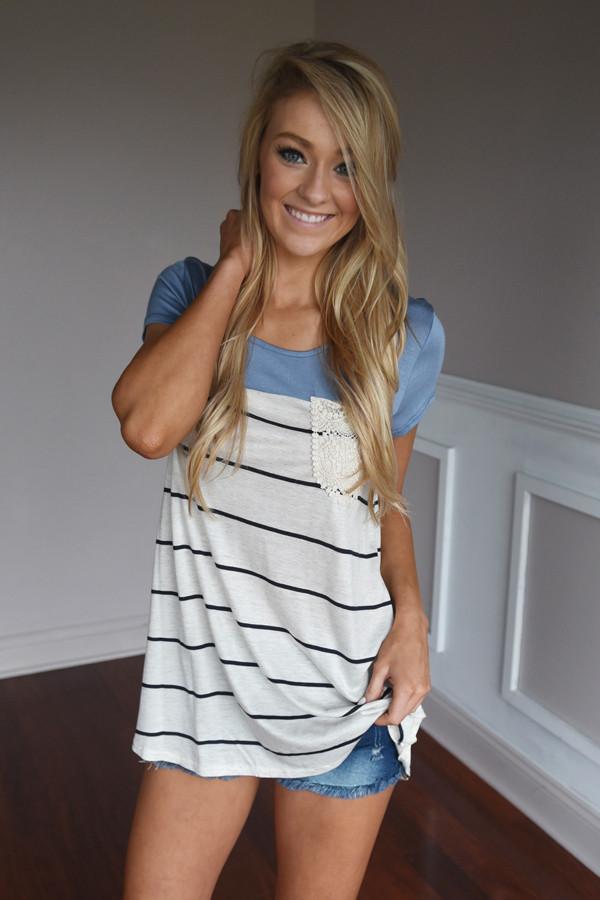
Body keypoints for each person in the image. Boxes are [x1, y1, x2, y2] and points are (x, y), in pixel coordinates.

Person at [112, 39, 445, 900]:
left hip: (346, 689)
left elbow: (386, 503)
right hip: (209, 686)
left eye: (346, 166)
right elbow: (147, 427)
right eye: (294, 154)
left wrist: (412, 620)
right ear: (258, 155)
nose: (315, 190)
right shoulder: (192, 291)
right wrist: (234, 268)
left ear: (372, 184)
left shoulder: (403, 334)